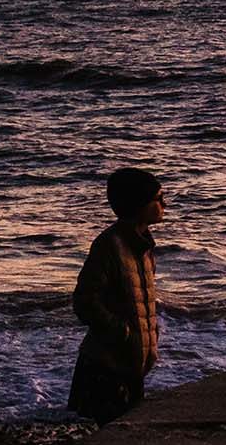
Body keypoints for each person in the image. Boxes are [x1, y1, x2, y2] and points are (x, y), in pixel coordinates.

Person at [67, 168, 164, 421]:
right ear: (140, 203)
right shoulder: (109, 245)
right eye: (158, 198)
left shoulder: (143, 247)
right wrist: (123, 332)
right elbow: (84, 301)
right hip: (105, 369)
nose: (164, 204)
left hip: (131, 368)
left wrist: (150, 334)